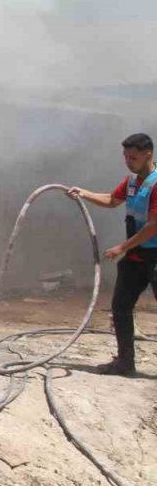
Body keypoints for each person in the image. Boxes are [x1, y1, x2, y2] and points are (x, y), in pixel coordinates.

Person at [67, 132, 157, 376]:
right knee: (121, 307)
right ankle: (125, 363)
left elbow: (153, 226)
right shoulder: (131, 182)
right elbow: (111, 199)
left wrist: (122, 247)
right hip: (137, 258)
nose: (128, 161)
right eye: (126, 157)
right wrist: (83, 193)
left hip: (154, 255)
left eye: (133, 157)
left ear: (148, 154)